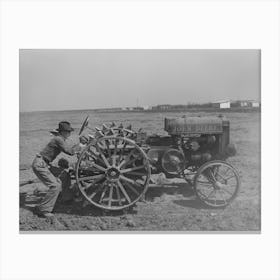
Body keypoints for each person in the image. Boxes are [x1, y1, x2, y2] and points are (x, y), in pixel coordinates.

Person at [32, 121, 87, 226]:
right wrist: (81, 144)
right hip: (40, 164)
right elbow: (70, 151)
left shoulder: (60, 139)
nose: (69, 134)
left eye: (69, 132)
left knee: (64, 175)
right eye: (68, 132)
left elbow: (71, 148)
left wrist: (80, 144)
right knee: (55, 185)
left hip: (45, 163)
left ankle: (67, 198)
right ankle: (44, 210)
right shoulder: (58, 139)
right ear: (62, 132)